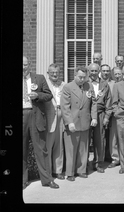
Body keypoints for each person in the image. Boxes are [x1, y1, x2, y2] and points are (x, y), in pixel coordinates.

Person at [23, 56, 59, 189]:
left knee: (42, 150)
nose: (23, 67)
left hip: (36, 115)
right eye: (21, 65)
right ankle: (23, 180)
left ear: (30, 64)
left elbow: (48, 95)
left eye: (25, 64)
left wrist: (37, 96)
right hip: (22, 115)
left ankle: (47, 179)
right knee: (22, 150)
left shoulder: (39, 78)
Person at [61, 66, 98, 181]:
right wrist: (69, 122)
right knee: (71, 149)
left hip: (85, 121)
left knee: (83, 148)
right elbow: (65, 106)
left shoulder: (89, 86)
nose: (82, 79)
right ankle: (70, 172)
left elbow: (94, 103)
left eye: (84, 77)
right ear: (75, 76)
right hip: (73, 122)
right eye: (80, 77)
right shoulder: (68, 87)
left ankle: (81, 170)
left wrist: (94, 117)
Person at [87, 63, 111, 173]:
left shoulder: (104, 84)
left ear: (99, 71)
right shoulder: (85, 83)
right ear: (89, 71)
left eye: (96, 71)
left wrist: (106, 116)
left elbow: (109, 102)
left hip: (100, 113)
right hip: (86, 114)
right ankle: (85, 163)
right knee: (85, 140)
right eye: (91, 71)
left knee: (100, 139)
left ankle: (98, 163)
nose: (93, 73)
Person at [44, 63, 66, 180]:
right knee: (48, 144)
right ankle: (47, 171)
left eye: (57, 72)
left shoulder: (64, 85)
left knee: (59, 144)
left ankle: (58, 170)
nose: (54, 74)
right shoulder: (44, 84)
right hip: (49, 115)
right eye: (52, 72)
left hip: (61, 115)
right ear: (48, 73)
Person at [105, 67, 123, 168]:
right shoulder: (110, 85)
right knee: (114, 138)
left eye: (119, 74)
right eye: (115, 74)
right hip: (113, 114)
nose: (117, 76)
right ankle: (115, 158)